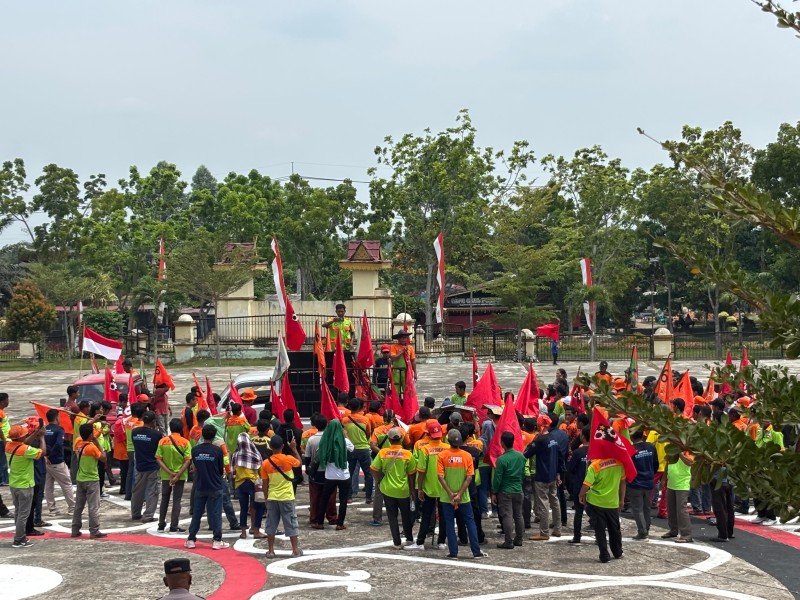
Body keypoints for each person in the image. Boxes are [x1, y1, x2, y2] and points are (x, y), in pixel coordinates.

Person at [437, 429, 487, 559]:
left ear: (448, 441)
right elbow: (469, 477)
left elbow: (440, 477)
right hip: (464, 496)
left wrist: (450, 494)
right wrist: (459, 494)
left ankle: (453, 552)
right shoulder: (467, 456)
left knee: (449, 523)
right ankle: (476, 551)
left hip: (446, 497)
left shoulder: (442, 456)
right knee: (470, 522)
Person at [405, 419, 449, 550]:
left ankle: (420, 542)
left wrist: (419, 488)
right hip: (444, 488)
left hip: (429, 488)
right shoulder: (447, 448)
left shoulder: (425, 449)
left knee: (426, 516)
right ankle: (441, 542)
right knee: (443, 516)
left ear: (428, 435)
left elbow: (421, 470)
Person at [370, 427, 417, 548]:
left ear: (389, 440)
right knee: (406, 515)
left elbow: (373, 468)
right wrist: (412, 490)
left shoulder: (383, 452)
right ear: (401, 439)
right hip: (403, 490)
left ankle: (396, 542)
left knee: (392, 516)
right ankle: (409, 538)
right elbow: (412, 475)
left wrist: (378, 481)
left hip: (388, 489)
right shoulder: (408, 454)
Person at [186, 424, 229, 550]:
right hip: (215, 485)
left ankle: (191, 539)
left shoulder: (195, 450)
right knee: (216, 513)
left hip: (200, 485)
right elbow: (221, 469)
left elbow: (195, 467)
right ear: (214, 435)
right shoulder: (217, 451)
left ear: (202, 435)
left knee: (197, 513)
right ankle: (217, 540)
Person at [261, 435, 303, 558]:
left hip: (273, 496)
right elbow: (299, 463)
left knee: (271, 524)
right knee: (291, 523)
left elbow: (265, 483)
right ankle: (295, 550)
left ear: (270, 447)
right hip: (287, 496)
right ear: (282, 446)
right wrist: (294, 449)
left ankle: (271, 550)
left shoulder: (266, 463)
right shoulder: (288, 459)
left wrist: (266, 497)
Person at [579, 455, 626, 563]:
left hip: (596, 502)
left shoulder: (595, 465)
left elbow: (586, 484)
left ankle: (604, 555)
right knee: (614, 529)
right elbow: (623, 482)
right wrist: (621, 499)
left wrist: (581, 495)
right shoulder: (619, 462)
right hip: (612, 502)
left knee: (600, 530)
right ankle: (617, 552)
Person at [6, 424, 46, 547]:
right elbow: (43, 452)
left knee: (18, 513)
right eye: (24, 435)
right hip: (25, 485)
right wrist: (42, 438)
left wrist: (35, 434)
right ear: (20, 438)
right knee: (23, 514)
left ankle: (20, 536)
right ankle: (19, 539)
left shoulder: (9, 446)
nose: (26, 436)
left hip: (14, 484)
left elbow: (24, 443)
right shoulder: (25, 450)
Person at [525, 414, 562, 540]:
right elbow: (560, 455)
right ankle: (557, 528)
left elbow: (527, 453)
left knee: (543, 503)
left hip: (542, 475)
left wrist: (533, 441)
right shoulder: (553, 438)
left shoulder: (540, 440)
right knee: (554, 501)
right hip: (552, 474)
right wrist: (558, 473)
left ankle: (544, 532)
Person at [314, 419, 354, 530]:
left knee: (324, 498)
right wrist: (345, 436)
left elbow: (319, 452)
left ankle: (320, 523)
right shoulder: (344, 441)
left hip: (329, 476)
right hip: (344, 476)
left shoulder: (325, 440)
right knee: (343, 500)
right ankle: (340, 524)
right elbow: (352, 448)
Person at [70, 423, 107, 539]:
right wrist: (97, 443)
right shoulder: (92, 447)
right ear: (91, 434)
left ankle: (75, 529)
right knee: (93, 507)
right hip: (92, 479)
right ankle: (94, 531)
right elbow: (104, 458)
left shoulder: (77, 443)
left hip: (80, 478)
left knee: (78, 506)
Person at [155, 418, 192, 534]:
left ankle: (161, 524)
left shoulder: (162, 441)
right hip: (180, 476)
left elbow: (158, 459)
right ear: (181, 428)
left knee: (164, 499)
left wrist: (169, 473)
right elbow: (187, 461)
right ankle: (174, 525)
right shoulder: (185, 442)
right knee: (177, 500)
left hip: (166, 476)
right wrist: (177, 475)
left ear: (170, 428)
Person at [491, 431, 526, 549]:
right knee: (518, 515)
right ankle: (519, 539)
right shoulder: (521, 456)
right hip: (518, 489)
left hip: (505, 490)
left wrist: (494, 491)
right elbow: (522, 473)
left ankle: (508, 541)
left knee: (507, 516)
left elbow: (497, 479)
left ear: (502, 443)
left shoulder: (501, 460)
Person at [131, 411, 164, 523]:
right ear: (153, 422)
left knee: (137, 491)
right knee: (152, 491)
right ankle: (148, 515)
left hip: (139, 465)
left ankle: (135, 513)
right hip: (152, 466)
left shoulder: (134, 432)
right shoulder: (156, 435)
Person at [304, 415, 338, 526]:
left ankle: (315, 520)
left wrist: (310, 470)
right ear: (327, 425)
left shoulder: (311, 439)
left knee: (315, 497)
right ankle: (332, 518)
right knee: (331, 496)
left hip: (316, 472)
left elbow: (308, 457)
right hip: (330, 471)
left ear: (315, 426)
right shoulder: (331, 439)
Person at [232, 432, 266, 540]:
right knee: (258, 506)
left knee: (243, 508)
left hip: (240, 484)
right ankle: (255, 530)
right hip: (253, 483)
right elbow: (261, 470)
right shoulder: (255, 454)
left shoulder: (235, 455)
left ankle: (243, 532)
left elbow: (232, 471)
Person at [628, 429, 658, 540]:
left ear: (632, 437)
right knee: (646, 508)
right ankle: (646, 528)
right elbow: (656, 464)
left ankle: (642, 531)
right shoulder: (651, 447)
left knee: (637, 509)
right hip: (649, 482)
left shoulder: (631, 450)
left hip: (636, 483)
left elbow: (628, 468)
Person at [44, 408, 75, 515]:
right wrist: (51, 454)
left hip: (46, 461)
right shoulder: (59, 430)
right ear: (57, 418)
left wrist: (46, 455)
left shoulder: (44, 429)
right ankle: (72, 508)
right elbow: (58, 444)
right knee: (66, 484)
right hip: (56, 461)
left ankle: (52, 509)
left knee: (48, 486)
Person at [661, 448, 694, 543]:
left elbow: (690, 462)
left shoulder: (688, 451)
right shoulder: (671, 450)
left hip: (682, 484)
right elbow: (668, 464)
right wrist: (663, 479)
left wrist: (680, 454)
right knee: (671, 508)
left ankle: (686, 534)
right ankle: (673, 530)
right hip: (671, 482)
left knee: (681, 509)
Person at [344, 399, 373, 503]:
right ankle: (368, 497)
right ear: (360, 407)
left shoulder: (344, 420)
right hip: (364, 449)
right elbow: (368, 434)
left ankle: (349, 497)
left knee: (349, 473)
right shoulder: (365, 420)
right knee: (368, 474)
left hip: (350, 449)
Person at [566, 427, 590, 544]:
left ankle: (577, 536)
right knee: (596, 513)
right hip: (594, 487)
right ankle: (599, 535)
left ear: (583, 436)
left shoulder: (578, 453)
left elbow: (570, 469)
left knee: (579, 513)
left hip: (579, 485)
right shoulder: (596, 452)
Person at [123, 403, 146, 501]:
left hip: (129, 448)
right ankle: (137, 495)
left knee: (130, 472)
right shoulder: (140, 423)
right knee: (138, 474)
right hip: (137, 450)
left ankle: (128, 494)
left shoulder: (127, 421)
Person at [0, 393, 10, 486]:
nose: (8, 402)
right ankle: (3, 479)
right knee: (2, 460)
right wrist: (4, 440)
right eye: (7, 400)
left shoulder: (2, 411)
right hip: (1, 440)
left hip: (3, 439)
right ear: (3, 402)